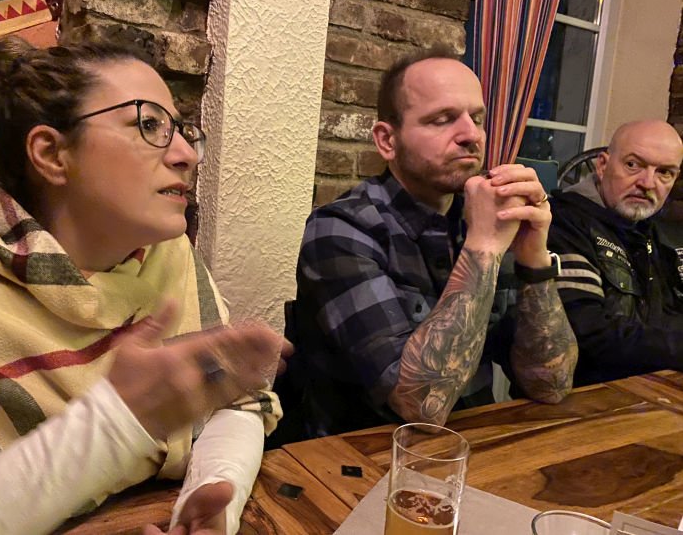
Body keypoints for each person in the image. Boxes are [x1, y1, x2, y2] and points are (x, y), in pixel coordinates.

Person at [0, 36, 288, 535]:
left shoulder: (169, 258)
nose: (185, 154)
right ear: (52, 154)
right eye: (149, 124)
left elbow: (236, 405)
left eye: (182, 132)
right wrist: (115, 424)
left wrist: (215, 490)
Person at [281, 52, 578, 439]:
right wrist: (484, 247)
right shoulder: (341, 230)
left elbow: (551, 383)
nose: (471, 135)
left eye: (477, 118)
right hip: (363, 459)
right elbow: (420, 406)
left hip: (474, 448)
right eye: (442, 119)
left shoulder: (484, 217)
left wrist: (533, 258)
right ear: (387, 140)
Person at [548, 120, 683, 385]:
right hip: (581, 398)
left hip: (647, 389)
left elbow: (667, 314)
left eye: (664, 172)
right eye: (633, 165)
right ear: (602, 165)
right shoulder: (561, 222)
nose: (647, 183)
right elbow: (585, 332)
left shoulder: (650, 230)